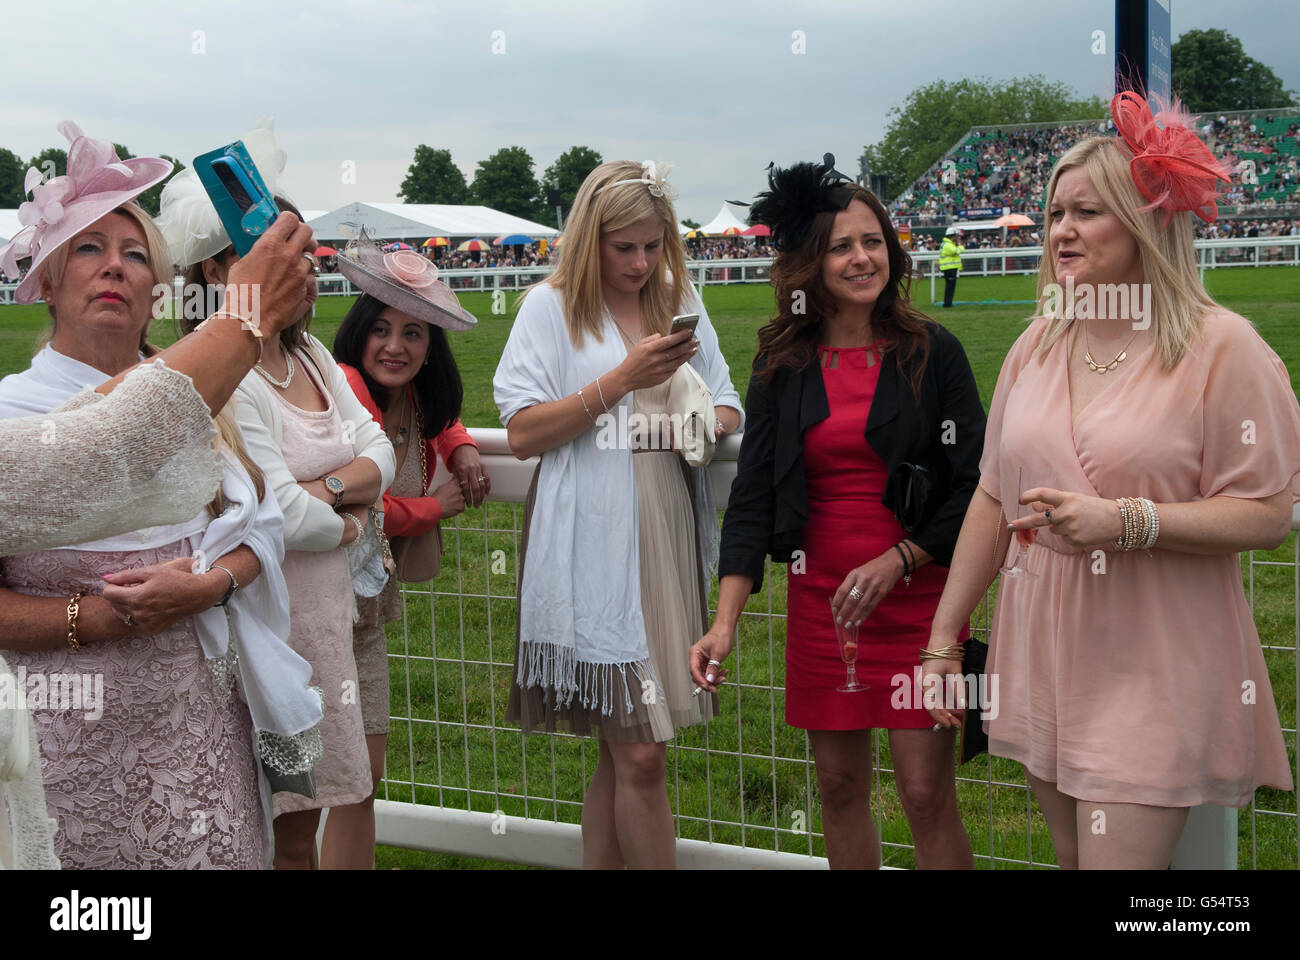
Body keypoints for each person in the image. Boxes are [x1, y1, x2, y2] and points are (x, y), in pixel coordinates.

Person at [923, 91, 1299, 869]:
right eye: (1056, 212)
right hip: (1043, 643)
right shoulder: (1036, 343)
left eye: (1086, 213)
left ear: (1146, 220)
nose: (1062, 230)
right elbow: (992, 498)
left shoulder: (1224, 348)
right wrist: (940, 642)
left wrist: (1130, 521)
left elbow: (1268, 512)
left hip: (1156, 651)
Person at [0, 122, 322, 869]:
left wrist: (209, 585)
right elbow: (108, 443)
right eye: (88, 247)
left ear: (157, 293)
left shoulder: (211, 401)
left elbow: (262, 526)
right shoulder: (14, 413)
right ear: (47, 279)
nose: (114, 266)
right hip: (66, 735)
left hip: (200, 724)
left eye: (135, 254)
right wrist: (97, 618)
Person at [690, 160, 985, 869]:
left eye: (873, 241)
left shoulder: (933, 352)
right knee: (840, 785)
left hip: (923, 607)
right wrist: (723, 622)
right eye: (840, 246)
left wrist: (901, 558)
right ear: (808, 265)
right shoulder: (781, 361)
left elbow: (977, 486)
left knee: (924, 793)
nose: (861, 258)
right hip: (822, 604)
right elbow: (754, 495)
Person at [157, 122, 396, 869]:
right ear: (221, 271)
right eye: (276, 253)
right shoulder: (224, 377)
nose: (300, 267)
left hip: (326, 625)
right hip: (269, 634)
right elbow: (279, 516)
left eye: (299, 251)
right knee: (281, 830)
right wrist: (350, 520)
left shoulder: (314, 355)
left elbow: (380, 453)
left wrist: (319, 494)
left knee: (314, 816)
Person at [494, 160, 742, 869]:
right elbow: (521, 430)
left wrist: (690, 422)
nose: (640, 263)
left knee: (628, 750)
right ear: (589, 238)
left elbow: (727, 402)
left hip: (662, 520)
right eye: (623, 246)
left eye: (654, 245)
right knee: (639, 752)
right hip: (589, 535)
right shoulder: (551, 307)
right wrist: (620, 383)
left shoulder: (679, 300)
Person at [328, 226, 485, 868]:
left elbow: (440, 417)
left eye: (413, 332)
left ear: (430, 344)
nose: (395, 346)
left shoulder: (412, 393)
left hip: (364, 614)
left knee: (363, 774)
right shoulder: (344, 387)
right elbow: (354, 501)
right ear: (360, 331)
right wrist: (435, 508)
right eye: (382, 329)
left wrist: (463, 447)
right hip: (315, 609)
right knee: (309, 783)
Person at [939, 227, 964, 308]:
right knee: (950, 287)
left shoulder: (948, 244)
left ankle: (948, 303)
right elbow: (956, 252)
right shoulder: (948, 244)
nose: (957, 238)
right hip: (949, 268)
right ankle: (947, 304)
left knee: (950, 286)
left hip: (949, 267)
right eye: (956, 236)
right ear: (952, 236)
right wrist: (961, 247)